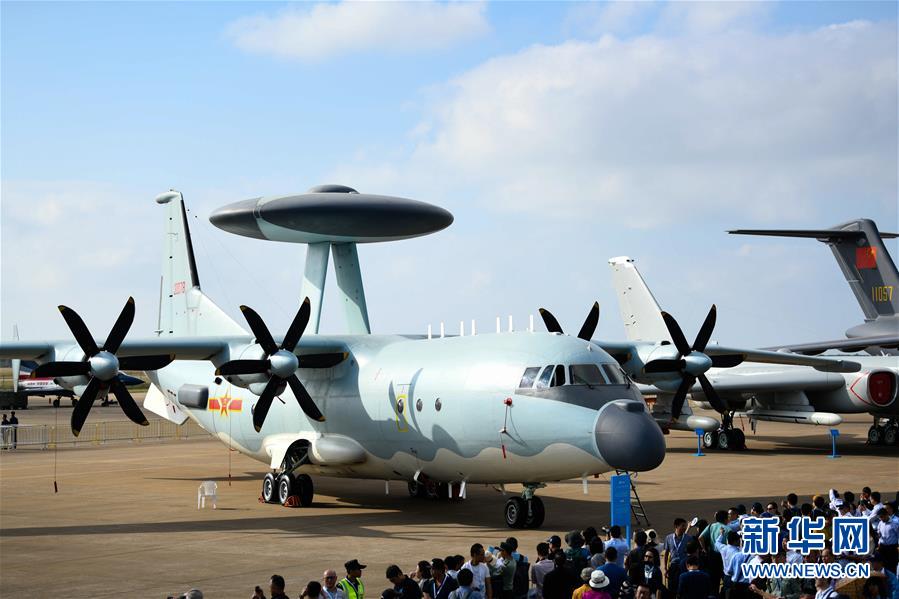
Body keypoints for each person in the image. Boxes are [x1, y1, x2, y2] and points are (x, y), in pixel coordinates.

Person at [664, 518, 694, 593]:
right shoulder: (668, 538)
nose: (684, 528)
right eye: (683, 526)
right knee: (671, 586)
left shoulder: (689, 538)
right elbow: (666, 553)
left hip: (684, 566)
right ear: (676, 526)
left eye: (685, 526)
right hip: (673, 566)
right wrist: (665, 568)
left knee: (683, 587)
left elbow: (691, 553)